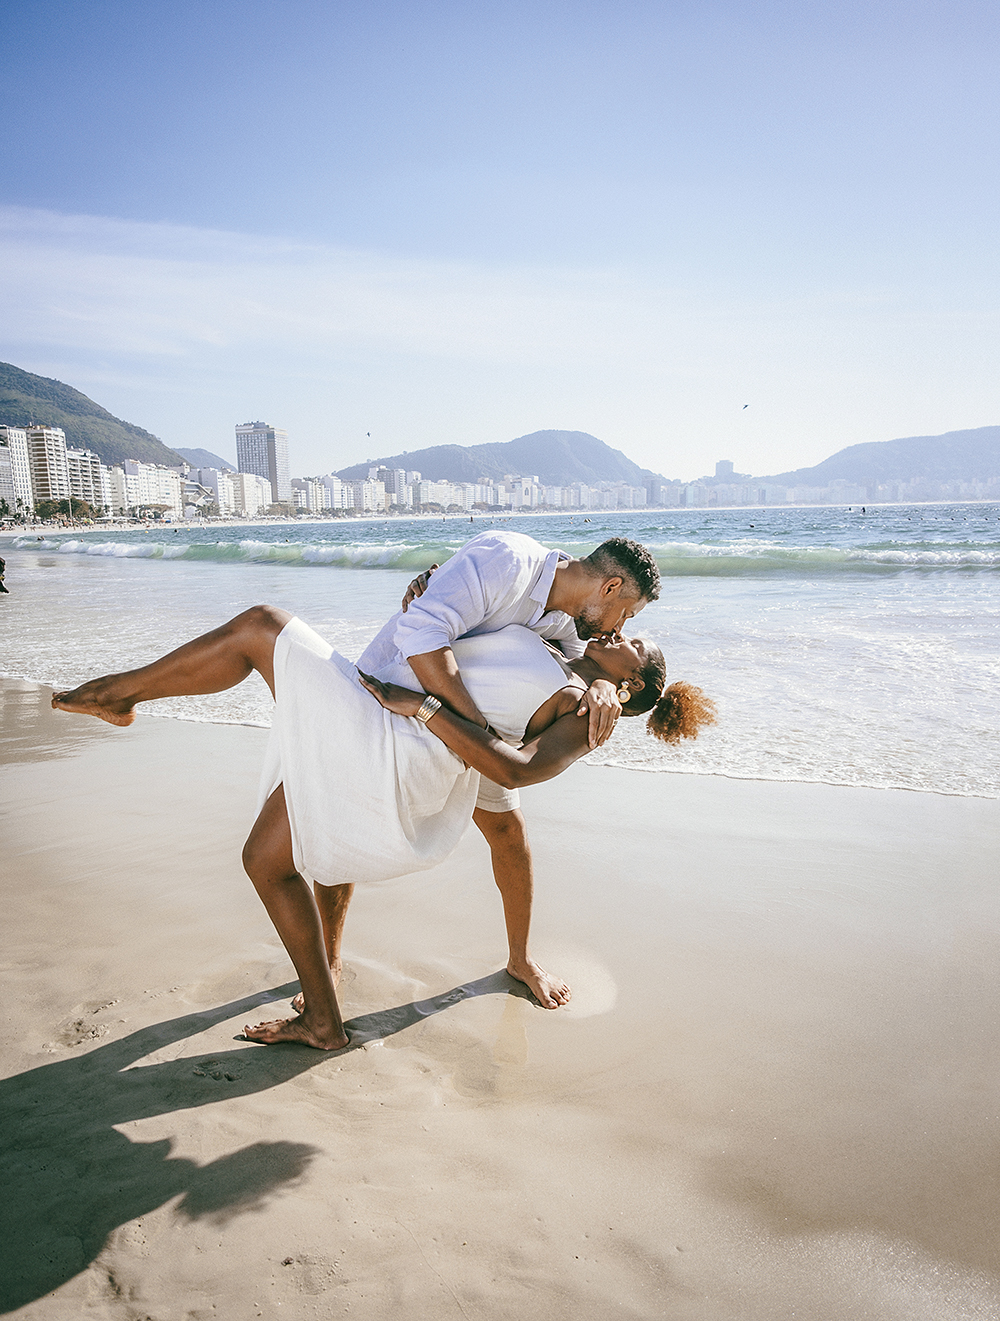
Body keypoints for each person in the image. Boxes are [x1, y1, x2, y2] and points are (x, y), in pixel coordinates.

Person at [51, 605, 713, 1052]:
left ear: (633, 682)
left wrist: (425, 706)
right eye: (628, 626)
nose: (621, 633)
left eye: (634, 646)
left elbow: (511, 789)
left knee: (262, 629)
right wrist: (429, 600)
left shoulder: (584, 713)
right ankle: (326, 986)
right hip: (402, 721)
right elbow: (479, 614)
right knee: (293, 845)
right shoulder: (564, 642)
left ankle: (119, 694)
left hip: (414, 738)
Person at [324, 531, 662, 1013]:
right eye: (627, 615)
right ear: (609, 588)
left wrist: (606, 685)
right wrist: (467, 727)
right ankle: (330, 962)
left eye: (629, 627)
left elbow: (568, 667)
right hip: (403, 692)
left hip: (477, 730)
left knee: (509, 834)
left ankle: (521, 960)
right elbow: (423, 635)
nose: (618, 628)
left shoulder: (570, 623)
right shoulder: (509, 562)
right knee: (351, 821)